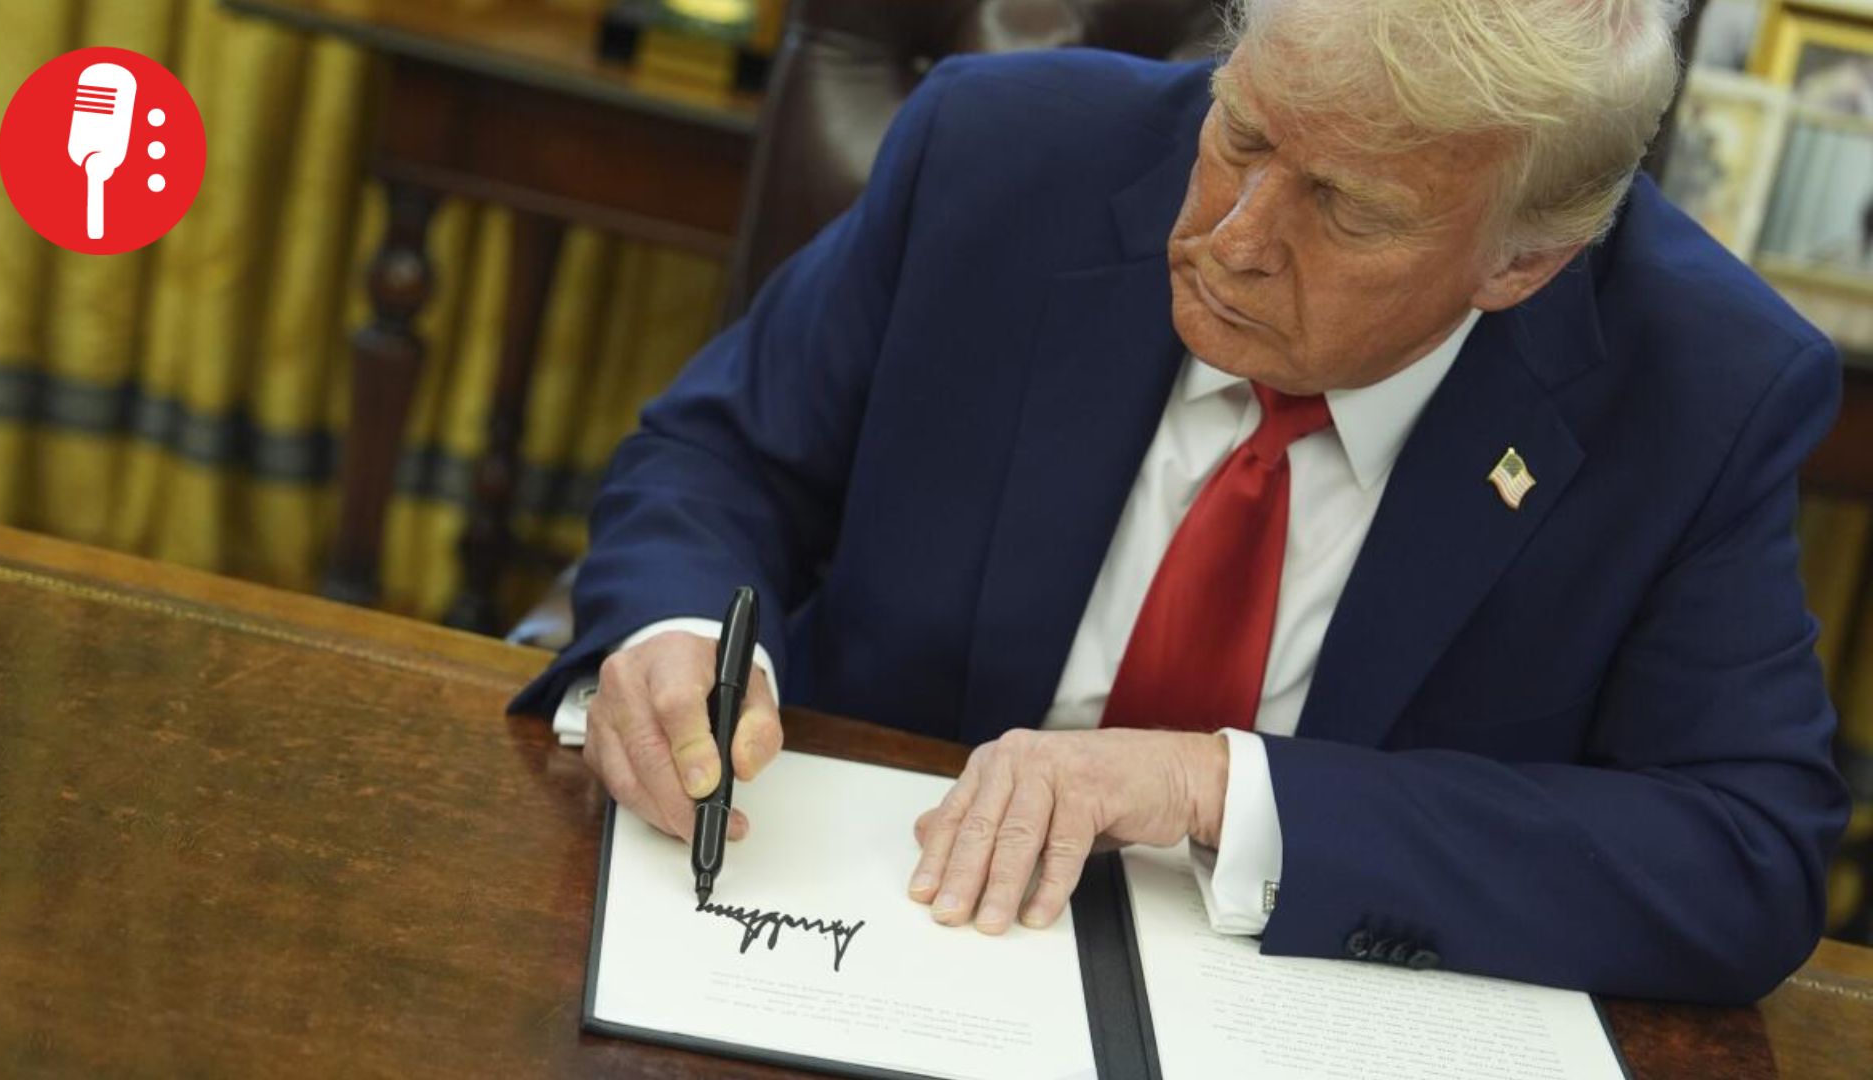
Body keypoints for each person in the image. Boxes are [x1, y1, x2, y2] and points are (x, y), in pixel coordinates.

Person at [510, 0, 1850, 1004]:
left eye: (1347, 210)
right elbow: (721, 456)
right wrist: (679, 635)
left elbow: (1743, 853)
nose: (1233, 237)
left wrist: (1214, 785)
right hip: (860, 938)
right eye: (1242, 134)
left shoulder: (1702, 386)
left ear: (1524, 262)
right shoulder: (1000, 156)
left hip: (1303, 1005)